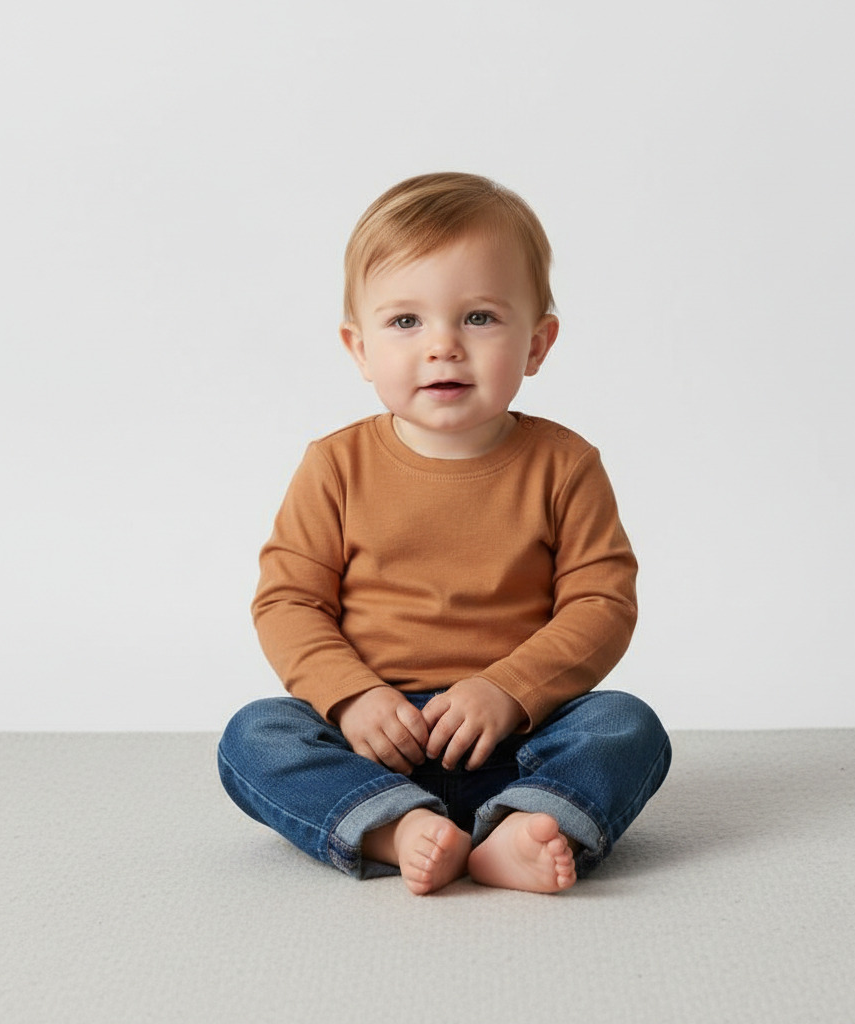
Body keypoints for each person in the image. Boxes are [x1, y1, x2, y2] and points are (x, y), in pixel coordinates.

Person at [218, 172, 671, 895]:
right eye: (406, 322)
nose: (443, 346)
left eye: (479, 317)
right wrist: (352, 697)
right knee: (255, 735)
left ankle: (521, 825)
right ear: (359, 348)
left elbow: (602, 604)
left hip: (519, 735)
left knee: (626, 725)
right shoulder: (335, 466)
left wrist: (508, 689)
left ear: (538, 343)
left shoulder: (565, 464)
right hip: (375, 739)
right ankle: (395, 828)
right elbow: (288, 602)